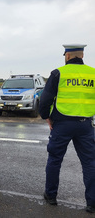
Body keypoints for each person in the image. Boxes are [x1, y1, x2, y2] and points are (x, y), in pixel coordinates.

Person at [39, 44, 95, 213]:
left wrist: (46, 116)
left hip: (62, 124)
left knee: (55, 159)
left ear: (68, 56)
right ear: (82, 55)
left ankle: (51, 196)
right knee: (90, 163)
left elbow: (45, 99)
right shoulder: (93, 74)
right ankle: (92, 203)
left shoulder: (58, 73)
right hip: (86, 124)